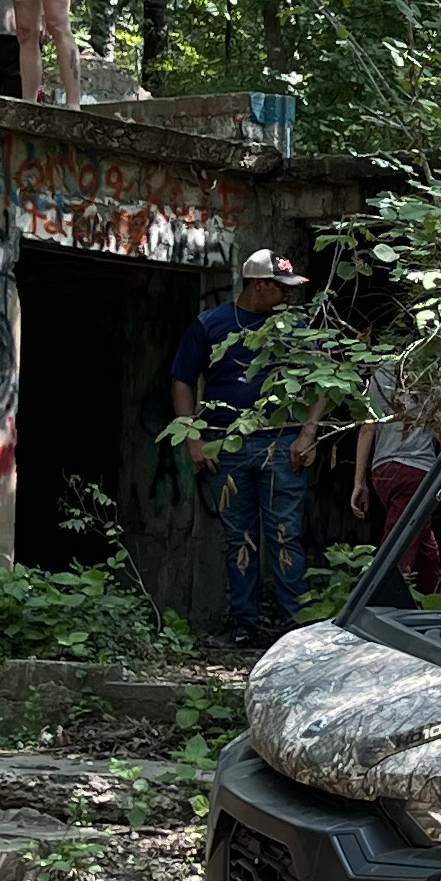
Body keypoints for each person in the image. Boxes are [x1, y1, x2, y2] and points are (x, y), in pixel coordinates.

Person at [174, 248, 316, 652]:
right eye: (281, 287)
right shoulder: (211, 324)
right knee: (239, 539)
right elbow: (182, 379)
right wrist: (193, 437)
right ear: (258, 284)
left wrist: (308, 434)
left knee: (286, 534)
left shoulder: (296, 326)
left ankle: (297, 631)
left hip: (283, 441)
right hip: (228, 444)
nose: (288, 295)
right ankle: (243, 629)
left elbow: (323, 380)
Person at [351, 347, 441, 599]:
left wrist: (360, 481)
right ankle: (381, 603)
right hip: (416, 471)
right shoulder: (432, 371)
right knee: (398, 548)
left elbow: (367, 428)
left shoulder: (380, 370)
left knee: (425, 550)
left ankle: (429, 602)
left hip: (384, 471)